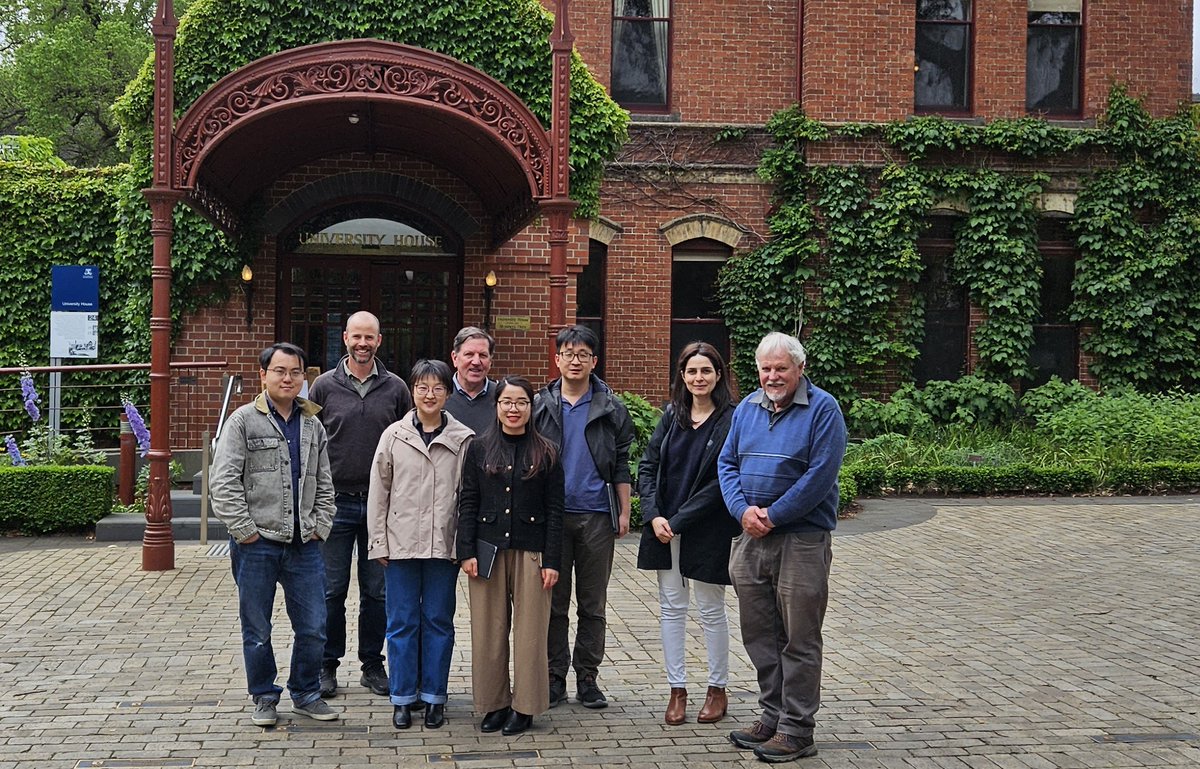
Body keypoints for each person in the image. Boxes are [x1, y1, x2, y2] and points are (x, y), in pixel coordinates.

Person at [718, 332, 847, 763]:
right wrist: (743, 512)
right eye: (765, 369)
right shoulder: (746, 409)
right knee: (760, 635)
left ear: (799, 369)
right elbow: (727, 463)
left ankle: (797, 729)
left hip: (800, 539)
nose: (772, 376)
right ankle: (772, 716)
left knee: (799, 637)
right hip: (750, 537)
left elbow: (820, 476)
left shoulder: (823, 409)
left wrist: (772, 516)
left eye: (781, 368)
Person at [210, 342, 339, 727]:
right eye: (279, 371)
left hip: (305, 545)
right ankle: (264, 696)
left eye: (295, 372)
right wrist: (244, 531)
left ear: (304, 377)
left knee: (315, 626)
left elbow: (325, 483)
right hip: (257, 545)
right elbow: (224, 482)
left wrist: (321, 524)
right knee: (257, 628)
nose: (288, 378)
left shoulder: (313, 425)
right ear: (263, 375)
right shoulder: (242, 421)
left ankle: (306, 693)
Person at [307, 311, 413, 699]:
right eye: (357, 337)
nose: (363, 343)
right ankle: (326, 665)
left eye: (370, 337)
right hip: (334, 505)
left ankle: (372, 664)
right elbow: (308, 440)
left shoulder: (397, 389)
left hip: (382, 507)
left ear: (379, 341)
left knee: (378, 592)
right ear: (346, 338)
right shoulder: (322, 387)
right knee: (330, 590)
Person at [636, 342, 739, 726]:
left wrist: (678, 521)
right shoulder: (671, 416)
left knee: (711, 610)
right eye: (692, 371)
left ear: (718, 376)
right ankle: (676, 689)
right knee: (671, 609)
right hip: (664, 529)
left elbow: (720, 481)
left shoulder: (731, 419)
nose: (699, 378)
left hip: (706, 528)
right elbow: (648, 467)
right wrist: (654, 516)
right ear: (682, 376)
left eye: (706, 371)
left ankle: (717, 689)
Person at [367, 359, 473, 730]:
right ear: (412, 390)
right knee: (401, 622)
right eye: (422, 387)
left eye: (438, 388)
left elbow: (467, 498)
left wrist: (464, 545)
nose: (430, 395)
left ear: (448, 392)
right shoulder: (393, 436)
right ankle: (402, 696)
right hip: (401, 546)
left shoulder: (463, 439)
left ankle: (434, 697)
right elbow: (378, 493)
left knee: (439, 621)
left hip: (444, 548)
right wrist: (378, 542)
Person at [533, 324, 634, 709]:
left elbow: (621, 462)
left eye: (583, 354)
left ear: (595, 360)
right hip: (552, 518)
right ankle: (554, 676)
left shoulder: (610, 407)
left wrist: (623, 511)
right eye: (568, 353)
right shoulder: (541, 404)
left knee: (592, 604)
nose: (575, 360)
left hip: (595, 516)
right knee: (554, 603)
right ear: (556, 359)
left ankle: (587, 677)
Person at [458, 377, 564, 736]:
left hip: (532, 550)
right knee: (488, 631)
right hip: (487, 550)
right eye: (507, 402)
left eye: (521, 402)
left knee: (531, 633)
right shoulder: (479, 447)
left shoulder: (547, 450)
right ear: (497, 406)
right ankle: (494, 704)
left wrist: (552, 560)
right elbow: (468, 500)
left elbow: (556, 509)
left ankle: (526, 707)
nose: (514, 409)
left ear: (531, 408)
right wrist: (466, 551)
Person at [445, 326, 498, 435]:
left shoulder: (502, 397)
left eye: (483, 355)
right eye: (469, 354)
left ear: (490, 361)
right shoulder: (440, 396)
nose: (476, 362)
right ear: (455, 358)